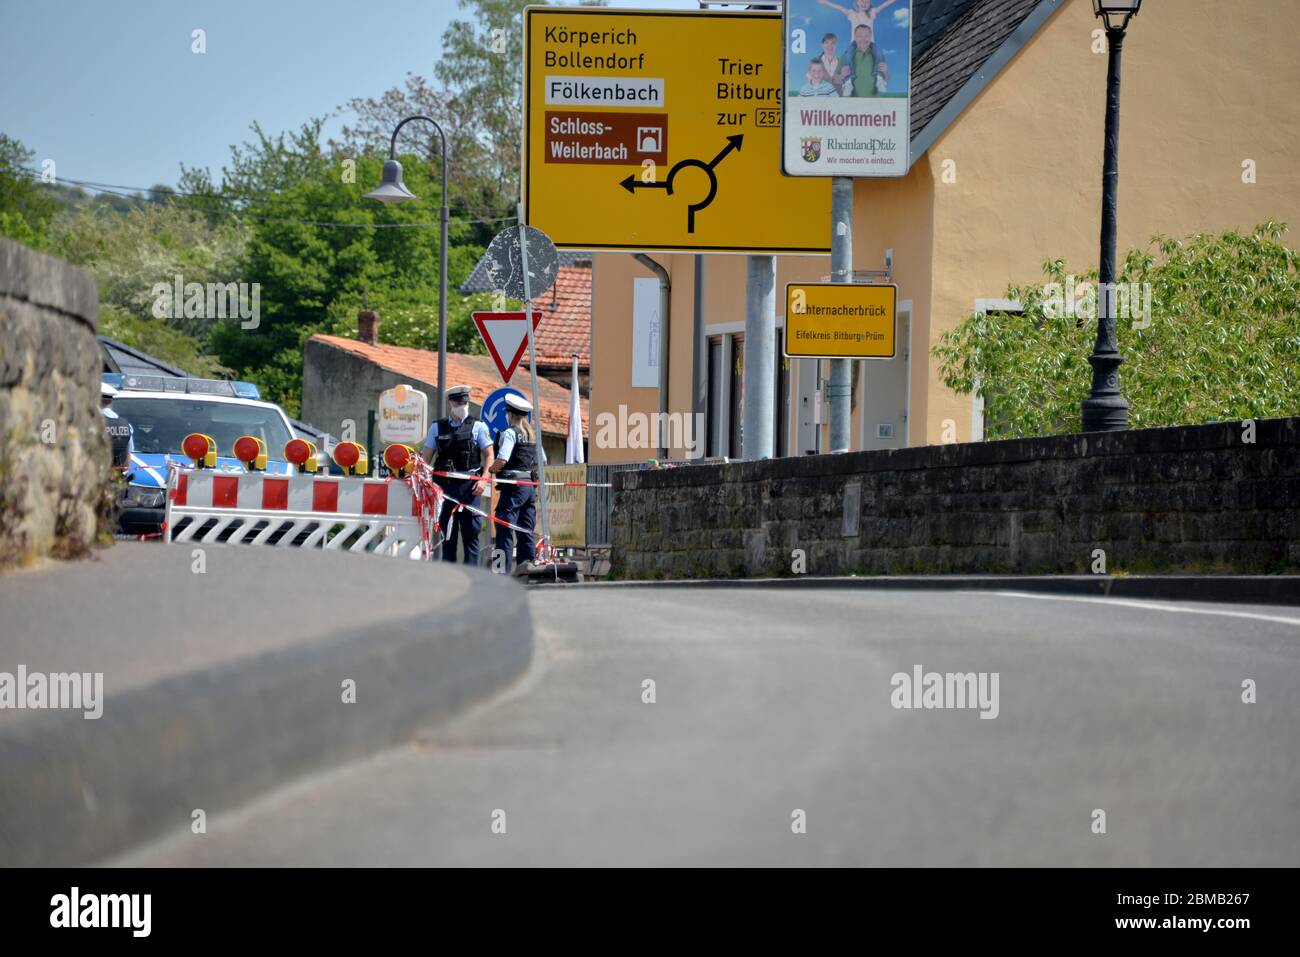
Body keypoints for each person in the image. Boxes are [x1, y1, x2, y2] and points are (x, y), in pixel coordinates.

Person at [420, 385, 494, 564]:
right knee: (447, 536)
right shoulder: (437, 428)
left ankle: (474, 578)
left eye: (465, 402)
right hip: (444, 488)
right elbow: (426, 458)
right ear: (451, 402)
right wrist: (423, 480)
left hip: (470, 488)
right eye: (460, 402)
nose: (463, 405)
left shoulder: (478, 426)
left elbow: (490, 455)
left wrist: (484, 480)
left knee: (471, 534)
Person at [488, 393, 545, 574]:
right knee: (525, 530)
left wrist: (491, 469)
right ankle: (527, 571)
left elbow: (503, 459)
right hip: (529, 487)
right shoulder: (532, 435)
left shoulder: (510, 433)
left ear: (510, 414)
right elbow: (541, 462)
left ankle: (500, 573)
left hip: (513, 488)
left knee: (503, 528)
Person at [100, 382, 133, 470]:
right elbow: (128, 459)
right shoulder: (126, 425)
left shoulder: (90, 423)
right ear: (111, 402)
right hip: (115, 477)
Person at [844, 24, 882, 97]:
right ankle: (848, 81)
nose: (863, 38)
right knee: (848, 54)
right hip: (853, 45)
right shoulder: (853, 14)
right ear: (855, 36)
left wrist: (884, 72)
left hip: (872, 45)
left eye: (866, 36)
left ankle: (879, 77)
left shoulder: (871, 14)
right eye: (860, 36)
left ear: (870, 36)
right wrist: (843, 75)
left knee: (879, 52)